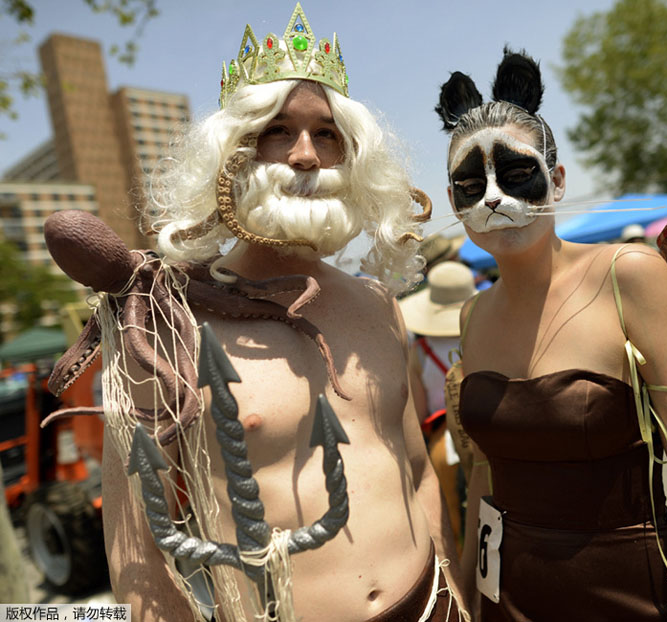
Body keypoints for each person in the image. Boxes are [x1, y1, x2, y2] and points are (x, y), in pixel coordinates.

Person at [49, 5, 468, 621]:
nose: (305, 156)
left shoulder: (379, 304)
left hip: (431, 602)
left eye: (326, 134)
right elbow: (136, 545)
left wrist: (453, 586)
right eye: (279, 130)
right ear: (233, 152)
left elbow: (417, 473)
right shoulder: (163, 320)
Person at [435, 49, 667, 621]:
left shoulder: (630, 276)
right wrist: (466, 596)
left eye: (517, 175)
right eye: (470, 184)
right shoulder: (473, 315)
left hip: (632, 592)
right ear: (453, 202)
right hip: (507, 597)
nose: (493, 197)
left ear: (557, 181)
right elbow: (485, 477)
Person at [400, 260, 478, 552]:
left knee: (452, 523)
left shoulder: (419, 351)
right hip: (487, 429)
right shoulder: (483, 334)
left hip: (443, 441)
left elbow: (418, 410)